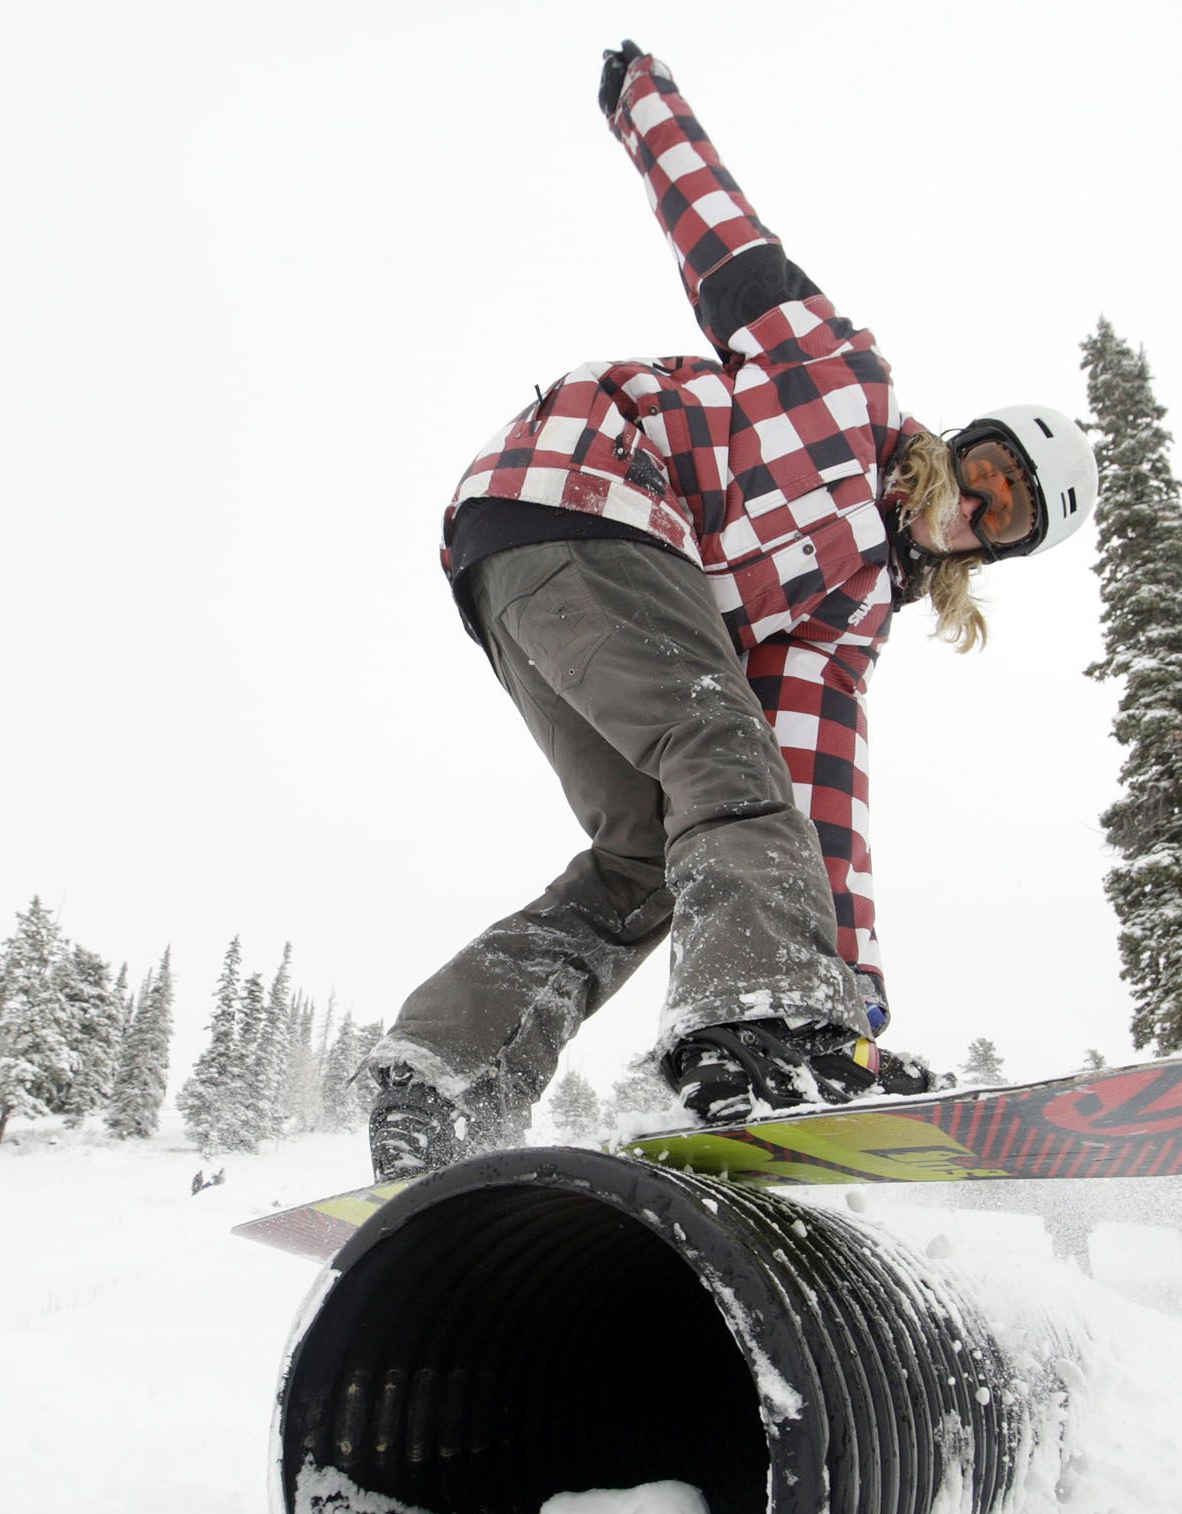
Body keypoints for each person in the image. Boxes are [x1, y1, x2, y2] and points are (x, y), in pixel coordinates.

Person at [361, 43, 1099, 1182]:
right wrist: (641, 101)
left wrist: (851, 1000)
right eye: (990, 471)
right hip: (594, 484)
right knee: (717, 746)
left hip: (517, 580)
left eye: (1003, 522)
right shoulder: (843, 380)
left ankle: (447, 1072)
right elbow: (724, 235)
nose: (979, 508)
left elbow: (820, 806)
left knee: (647, 856)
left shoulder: (848, 616)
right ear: (966, 440)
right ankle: (750, 1030)